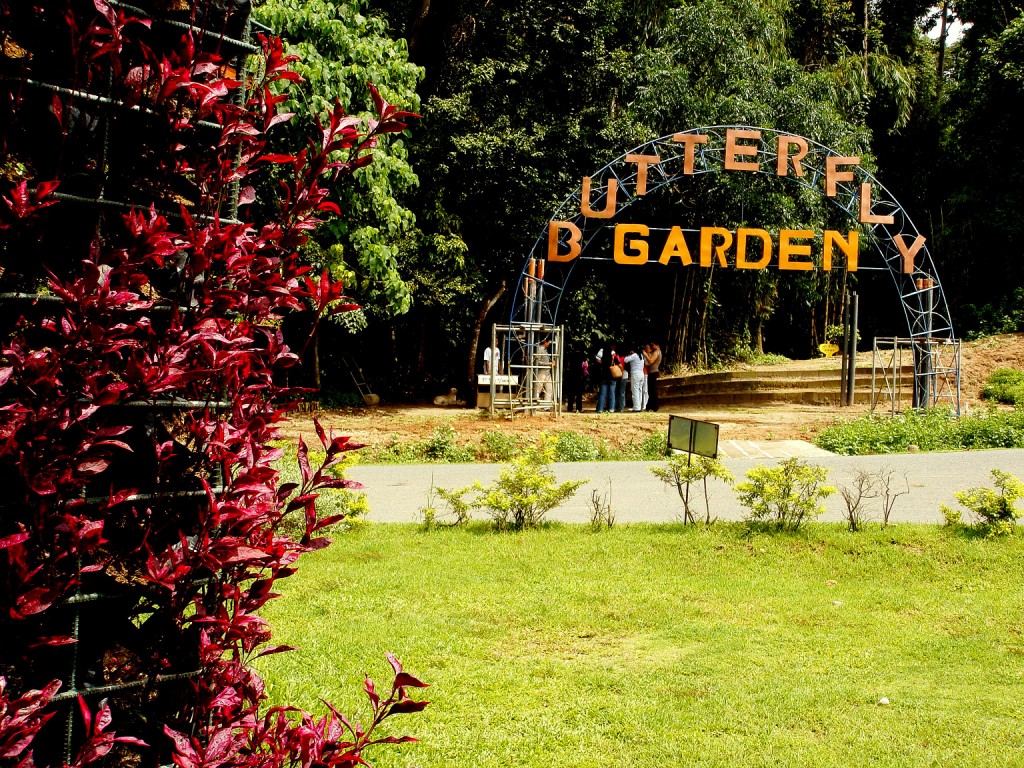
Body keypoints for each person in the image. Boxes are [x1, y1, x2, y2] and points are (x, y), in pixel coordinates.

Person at [594, 342, 622, 413]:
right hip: (612, 376)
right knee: (612, 393)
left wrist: (602, 364)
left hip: (603, 375)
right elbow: (619, 363)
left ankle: (600, 409)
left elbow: (597, 359)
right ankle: (611, 409)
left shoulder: (602, 350)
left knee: (602, 393)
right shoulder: (613, 353)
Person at [564, 347, 586, 413]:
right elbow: (585, 365)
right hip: (580, 375)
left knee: (571, 393)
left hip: (571, 375)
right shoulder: (583, 355)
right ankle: (578, 408)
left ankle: (570, 407)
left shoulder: (570, 354)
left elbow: (568, 364)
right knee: (579, 393)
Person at [623, 346, 645, 411]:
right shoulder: (642, 355)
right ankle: (639, 406)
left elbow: (625, 360)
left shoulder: (634, 355)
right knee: (639, 390)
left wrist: (630, 354)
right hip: (641, 373)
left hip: (635, 374)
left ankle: (636, 407)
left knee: (635, 390)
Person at [534, 338, 554, 402]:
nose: (549, 344)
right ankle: (535, 404)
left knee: (549, 389)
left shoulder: (545, 350)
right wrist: (548, 364)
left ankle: (546, 406)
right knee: (538, 389)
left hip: (547, 372)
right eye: (548, 342)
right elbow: (537, 362)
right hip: (541, 372)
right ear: (545, 342)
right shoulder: (539, 349)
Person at [644, 341, 662, 411]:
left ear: (657, 345)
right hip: (652, 372)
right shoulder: (657, 352)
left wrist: (645, 355)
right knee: (651, 390)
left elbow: (651, 361)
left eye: (653, 345)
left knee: (652, 390)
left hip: (653, 372)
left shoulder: (656, 352)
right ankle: (650, 405)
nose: (652, 346)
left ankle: (654, 406)